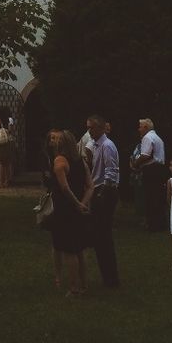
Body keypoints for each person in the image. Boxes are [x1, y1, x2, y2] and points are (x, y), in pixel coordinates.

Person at [45, 129, 91, 296]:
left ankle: (74, 288)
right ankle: (84, 284)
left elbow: (64, 188)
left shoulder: (60, 161)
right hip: (78, 208)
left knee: (69, 250)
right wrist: (83, 203)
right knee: (80, 249)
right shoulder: (81, 161)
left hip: (65, 209)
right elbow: (90, 186)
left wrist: (77, 203)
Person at [86, 114, 121, 287]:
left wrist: (102, 193)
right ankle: (107, 276)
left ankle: (111, 278)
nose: (89, 131)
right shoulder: (95, 145)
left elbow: (111, 170)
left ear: (100, 128)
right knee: (99, 237)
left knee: (104, 236)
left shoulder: (107, 146)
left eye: (91, 127)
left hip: (105, 191)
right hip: (98, 189)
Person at [132, 118, 167, 232]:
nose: (138, 129)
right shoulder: (158, 138)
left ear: (146, 127)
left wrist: (136, 163)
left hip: (151, 170)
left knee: (150, 197)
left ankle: (152, 225)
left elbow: (145, 155)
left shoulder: (147, 137)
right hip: (160, 169)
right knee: (158, 196)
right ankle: (160, 223)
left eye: (140, 126)